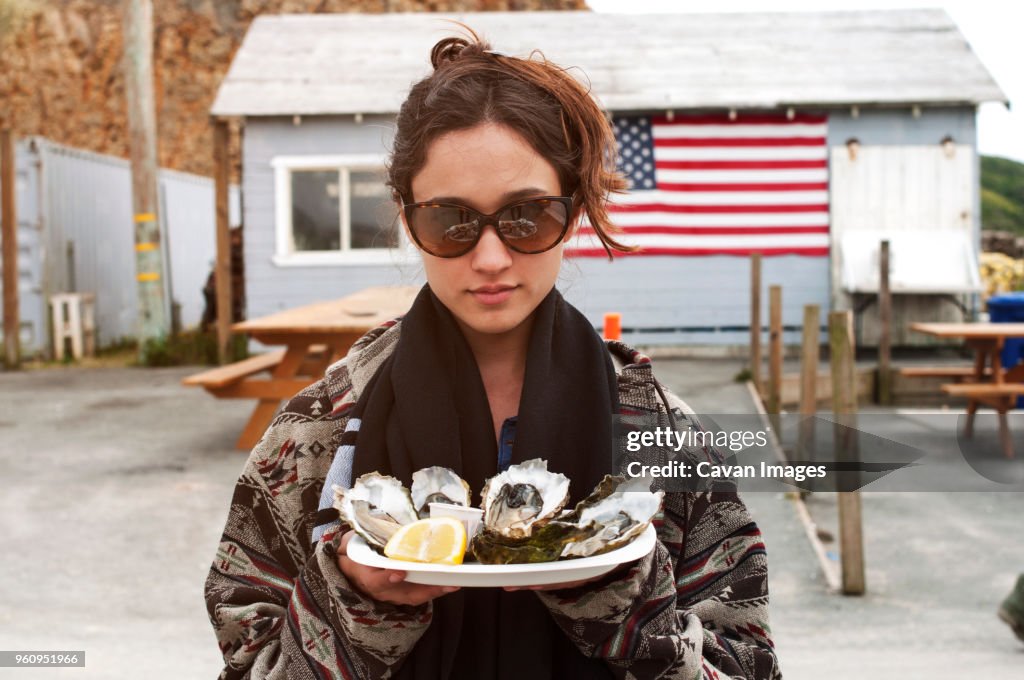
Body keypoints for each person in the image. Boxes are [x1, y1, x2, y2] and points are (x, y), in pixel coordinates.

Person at [205, 30, 781, 680]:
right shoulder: (316, 432)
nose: (490, 258)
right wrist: (357, 603)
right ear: (404, 215)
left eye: (527, 216)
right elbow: (249, 662)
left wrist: (621, 604)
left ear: (574, 209)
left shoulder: (661, 435)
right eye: (449, 220)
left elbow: (748, 666)